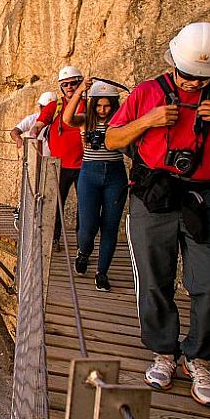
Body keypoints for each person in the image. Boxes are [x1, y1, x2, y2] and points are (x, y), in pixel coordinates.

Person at [105, 22, 210, 408]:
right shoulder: (148, 93)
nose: (192, 82)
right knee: (154, 278)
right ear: (173, 62)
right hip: (153, 195)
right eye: (186, 74)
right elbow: (112, 138)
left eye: (201, 77)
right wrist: (148, 121)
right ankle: (164, 352)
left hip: (205, 196)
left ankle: (201, 358)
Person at [62, 80, 126, 292]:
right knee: (88, 226)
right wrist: (80, 91)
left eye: (107, 106)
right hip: (89, 174)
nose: (102, 110)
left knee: (110, 227)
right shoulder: (86, 121)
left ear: (114, 105)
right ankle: (84, 252)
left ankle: (102, 272)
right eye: (98, 105)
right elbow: (67, 118)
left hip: (115, 175)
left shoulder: (121, 122)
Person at [34, 66, 86, 251]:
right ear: (61, 87)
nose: (70, 87)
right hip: (60, 164)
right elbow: (39, 124)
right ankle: (54, 238)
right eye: (66, 84)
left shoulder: (86, 104)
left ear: (80, 84)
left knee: (84, 206)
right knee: (57, 204)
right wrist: (33, 136)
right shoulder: (55, 107)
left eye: (74, 83)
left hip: (83, 164)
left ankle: (82, 243)